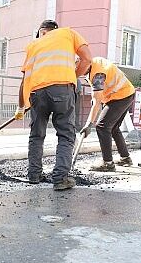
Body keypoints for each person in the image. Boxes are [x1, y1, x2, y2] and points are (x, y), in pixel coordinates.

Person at [16, 20, 92, 190]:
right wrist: (72, 75)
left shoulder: (33, 45)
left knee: (36, 135)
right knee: (65, 134)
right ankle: (60, 179)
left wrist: (21, 106)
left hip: (37, 92)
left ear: (41, 32)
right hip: (62, 90)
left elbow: (24, 80)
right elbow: (87, 59)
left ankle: (34, 175)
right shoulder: (68, 33)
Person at [79, 57, 136, 171]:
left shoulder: (97, 75)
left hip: (120, 96)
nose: (78, 72)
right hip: (126, 93)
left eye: (78, 69)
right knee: (113, 128)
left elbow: (96, 101)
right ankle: (125, 158)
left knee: (102, 126)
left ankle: (108, 163)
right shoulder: (95, 62)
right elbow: (97, 96)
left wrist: (88, 124)